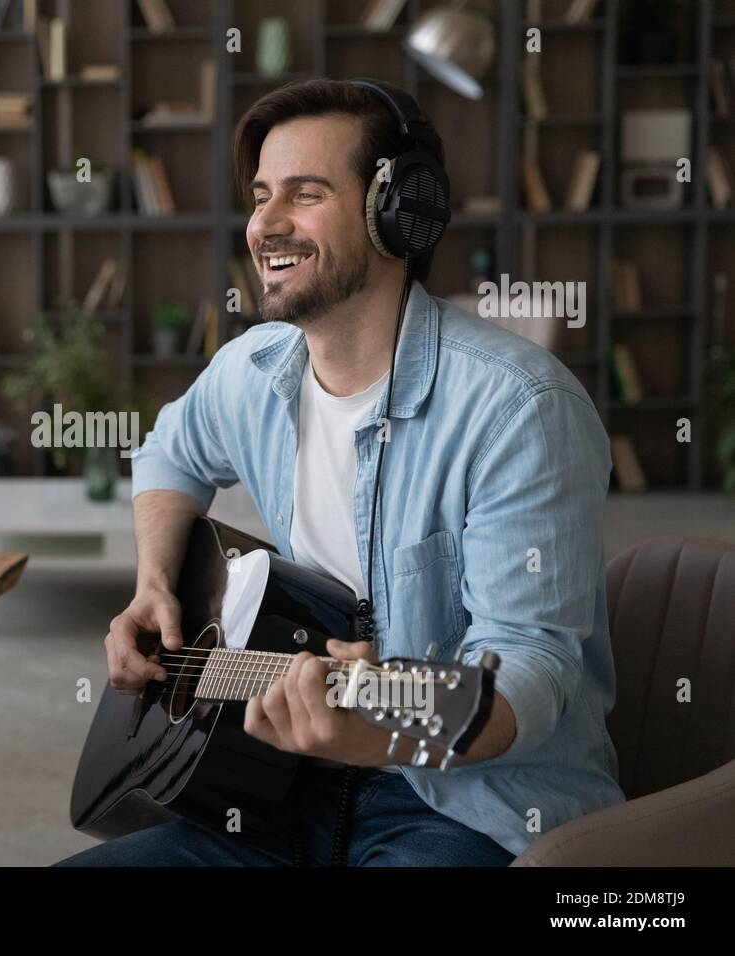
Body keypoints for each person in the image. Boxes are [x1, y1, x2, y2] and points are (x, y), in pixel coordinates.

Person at [58, 78, 624, 867]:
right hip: (273, 784)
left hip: (462, 805)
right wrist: (153, 584)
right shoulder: (251, 369)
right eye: (260, 195)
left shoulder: (519, 408)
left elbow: (527, 671)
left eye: (305, 193)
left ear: (400, 212)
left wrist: (384, 721)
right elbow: (167, 453)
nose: (265, 224)